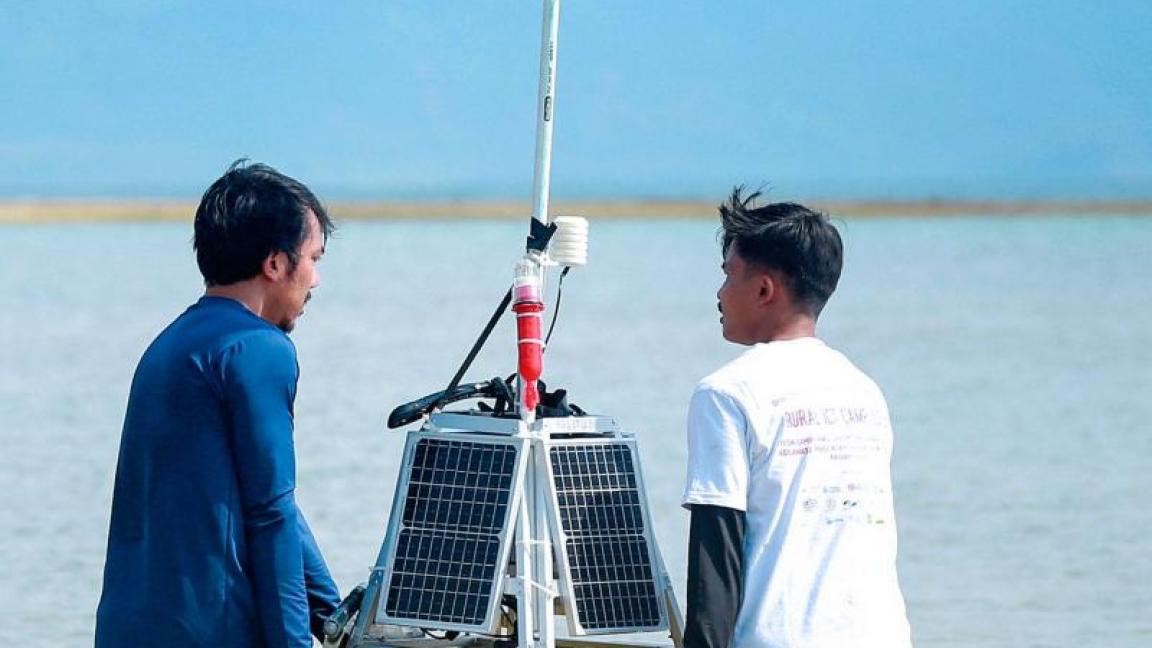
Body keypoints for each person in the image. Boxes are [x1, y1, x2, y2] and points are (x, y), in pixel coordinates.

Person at [96, 161, 341, 648]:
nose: (315, 280)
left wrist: (333, 613)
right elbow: (269, 513)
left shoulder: (170, 345)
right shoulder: (258, 349)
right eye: (314, 258)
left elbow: (272, 502)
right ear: (275, 263)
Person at [681, 188, 912, 648]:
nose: (720, 293)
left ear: (765, 289)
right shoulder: (863, 390)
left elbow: (716, 558)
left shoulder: (726, 393)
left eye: (729, 276)